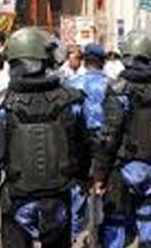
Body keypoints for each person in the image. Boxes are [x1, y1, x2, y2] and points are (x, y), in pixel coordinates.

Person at [0, 27, 90, 247]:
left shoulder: (1, 107)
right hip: (58, 200)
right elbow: (83, 152)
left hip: (18, 203)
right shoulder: (71, 101)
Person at [93, 33, 151, 248]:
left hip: (123, 164)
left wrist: (99, 174)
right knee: (147, 216)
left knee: (115, 219)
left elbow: (110, 135)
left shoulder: (119, 89)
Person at [65, 43, 109, 242]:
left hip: (79, 147)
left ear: (84, 60)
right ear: (102, 61)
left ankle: (75, 236)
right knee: (105, 192)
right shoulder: (112, 85)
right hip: (107, 146)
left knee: (78, 195)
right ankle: (101, 236)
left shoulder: (72, 83)